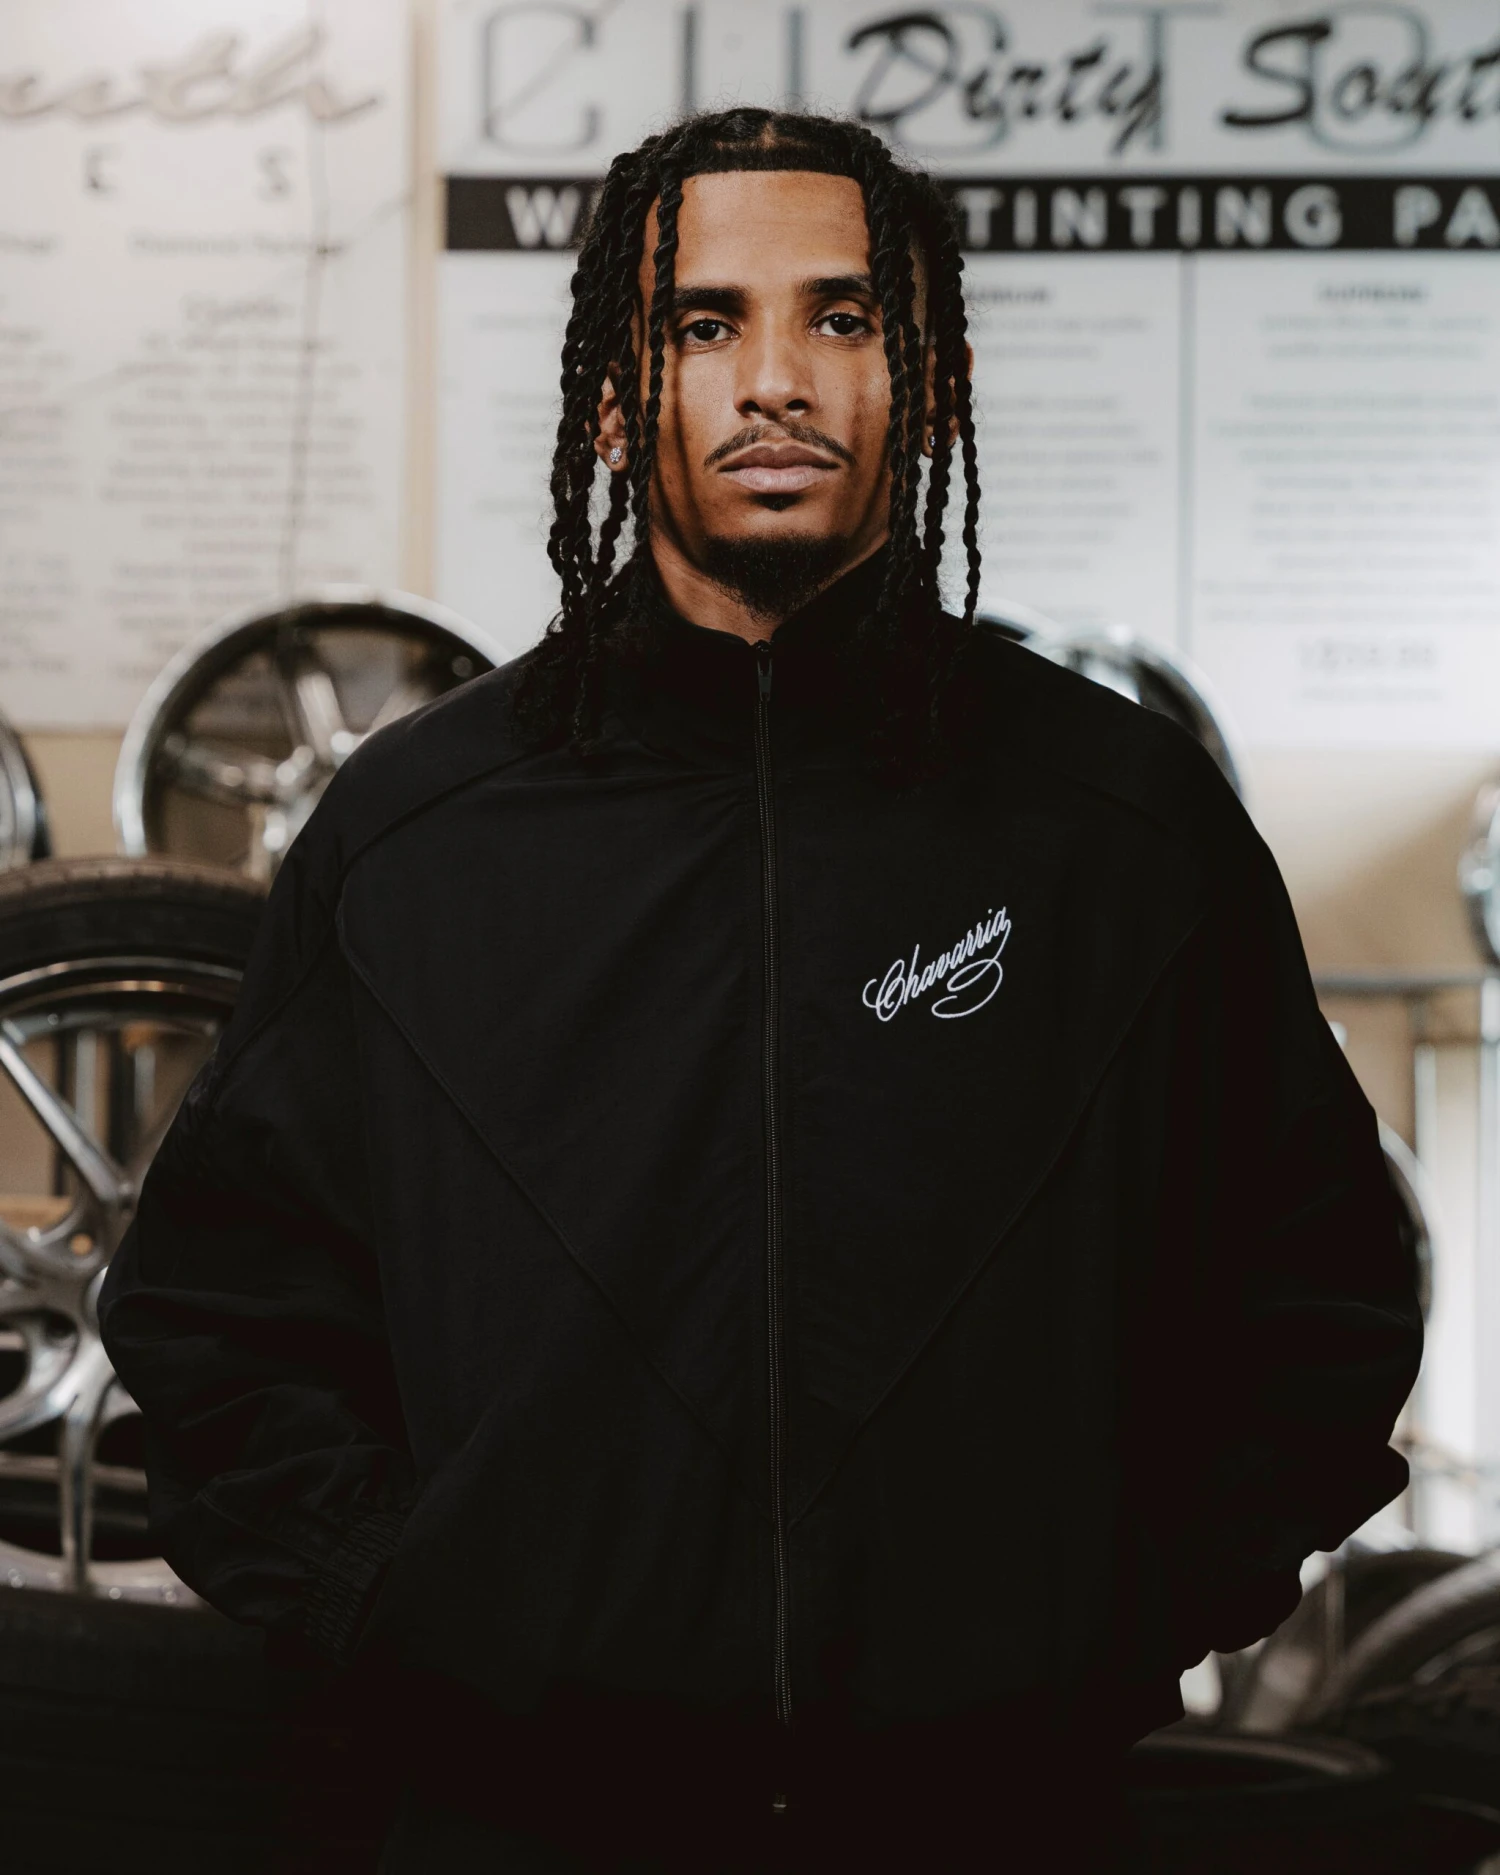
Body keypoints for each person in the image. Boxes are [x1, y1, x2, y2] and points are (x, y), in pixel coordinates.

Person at [100, 108, 1423, 1873]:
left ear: (931, 380)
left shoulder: (1121, 827)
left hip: (996, 1822)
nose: (775, 380)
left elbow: (1320, 1290)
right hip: (520, 1823)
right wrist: (413, 1602)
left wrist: (1108, 1614)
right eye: (704, 323)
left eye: (844, 317)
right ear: (610, 395)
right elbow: (216, 1314)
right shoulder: (419, 836)